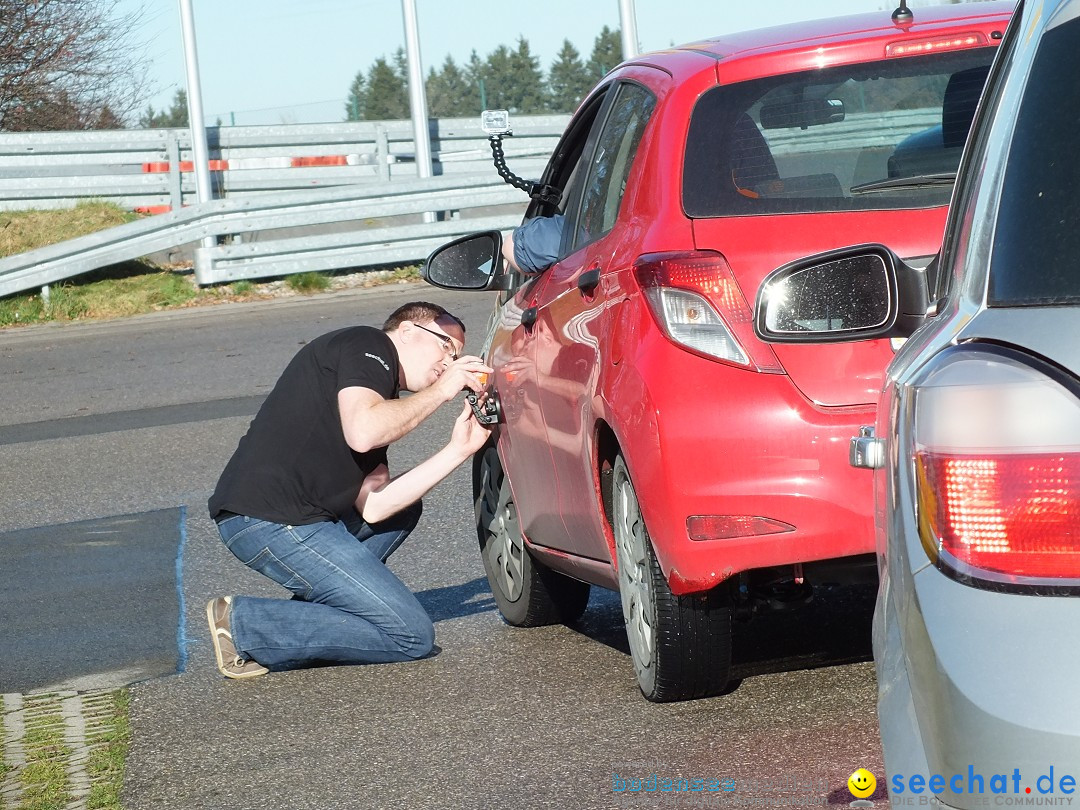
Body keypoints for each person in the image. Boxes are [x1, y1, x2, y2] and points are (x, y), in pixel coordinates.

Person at [205, 301, 492, 679]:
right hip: (271, 519)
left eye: (457, 354)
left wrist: (458, 450)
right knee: (410, 635)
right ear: (407, 331)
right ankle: (246, 624)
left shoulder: (374, 393)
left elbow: (374, 507)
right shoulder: (366, 344)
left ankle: (307, 614)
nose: (451, 361)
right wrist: (444, 389)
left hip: (300, 519)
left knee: (405, 508)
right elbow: (365, 432)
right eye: (446, 346)